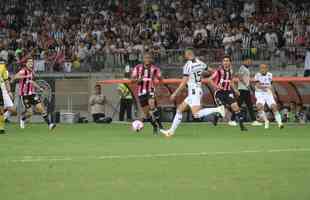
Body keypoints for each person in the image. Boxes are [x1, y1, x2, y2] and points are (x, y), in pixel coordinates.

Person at [160, 49, 225, 137]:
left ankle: (217, 109)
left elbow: (183, 82)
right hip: (195, 91)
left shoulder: (188, 65)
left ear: (188, 54)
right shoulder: (200, 62)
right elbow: (213, 71)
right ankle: (171, 131)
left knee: (196, 114)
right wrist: (217, 79)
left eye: (185, 54)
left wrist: (175, 93)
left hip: (194, 92)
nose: (184, 56)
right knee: (179, 109)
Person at [13, 57, 56, 130]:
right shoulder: (23, 71)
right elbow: (15, 76)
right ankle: (22, 119)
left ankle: (50, 124)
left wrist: (39, 88)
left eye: (32, 62)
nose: (31, 63)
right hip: (25, 95)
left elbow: (31, 82)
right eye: (29, 62)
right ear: (26, 63)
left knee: (41, 108)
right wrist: (26, 76)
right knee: (30, 113)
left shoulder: (31, 72)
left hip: (32, 94)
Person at [210, 55, 248, 131]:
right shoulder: (218, 71)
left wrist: (235, 90)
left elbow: (231, 82)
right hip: (219, 93)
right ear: (222, 62)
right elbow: (210, 80)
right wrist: (216, 86)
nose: (226, 62)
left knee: (235, 107)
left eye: (227, 61)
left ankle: (241, 125)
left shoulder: (231, 71)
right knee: (223, 111)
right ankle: (216, 117)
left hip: (228, 92)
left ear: (230, 62)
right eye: (224, 61)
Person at [131, 52, 164, 135]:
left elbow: (160, 78)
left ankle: (160, 125)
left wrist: (159, 87)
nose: (147, 59)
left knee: (152, 105)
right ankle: (154, 127)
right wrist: (138, 80)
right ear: (143, 59)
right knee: (147, 113)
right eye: (146, 58)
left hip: (150, 89)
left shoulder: (155, 69)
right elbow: (132, 80)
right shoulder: (137, 68)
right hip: (141, 92)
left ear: (151, 59)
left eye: (149, 58)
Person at [231, 58, 262, 126]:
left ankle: (253, 121)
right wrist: (246, 85)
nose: (249, 63)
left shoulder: (247, 69)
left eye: (250, 62)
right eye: (248, 61)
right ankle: (232, 120)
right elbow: (239, 77)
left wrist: (251, 88)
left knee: (250, 105)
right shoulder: (242, 67)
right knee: (238, 105)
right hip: (242, 89)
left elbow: (247, 80)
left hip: (246, 90)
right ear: (244, 61)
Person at [254, 64, 283, 129]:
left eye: (264, 68)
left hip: (268, 93)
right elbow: (258, 85)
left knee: (274, 107)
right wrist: (266, 88)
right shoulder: (257, 75)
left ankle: (280, 123)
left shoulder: (270, 75)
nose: (263, 69)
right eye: (262, 68)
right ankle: (266, 121)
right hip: (260, 93)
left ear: (267, 69)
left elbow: (271, 85)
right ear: (260, 69)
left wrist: (274, 93)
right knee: (259, 106)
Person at [0, 61, 12, 134]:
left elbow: (6, 80)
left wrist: (9, 91)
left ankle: (1, 128)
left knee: (1, 109)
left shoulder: (2, 67)